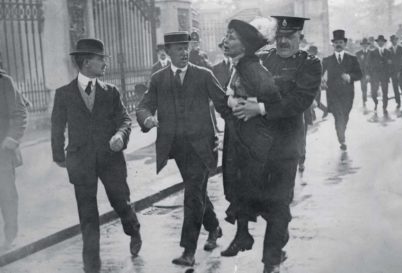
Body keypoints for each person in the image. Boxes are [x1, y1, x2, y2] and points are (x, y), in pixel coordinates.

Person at [228, 16, 322, 273]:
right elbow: (239, 85)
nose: (283, 42)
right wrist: (235, 102)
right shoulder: (263, 59)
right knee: (261, 202)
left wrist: (259, 107)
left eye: (289, 38)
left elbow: (299, 101)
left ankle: (270, 262)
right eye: (279, 37)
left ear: (299, 39)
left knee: (279, 202)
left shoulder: (310, 64)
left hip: (287, 145)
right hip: (257, 145)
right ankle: (276, 235)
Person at [135, 31, 231, 267]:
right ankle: (214, 227)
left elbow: (223, 104)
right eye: (178, 48)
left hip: (204, 146)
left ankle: (188, 250)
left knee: (192, 194)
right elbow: (144, 106)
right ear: (167, 52)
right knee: (197, 191)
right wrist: (147, 119)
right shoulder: (158, 79)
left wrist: (238, 132)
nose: (184, 52)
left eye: (186, 47)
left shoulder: (203, 75)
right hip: (177, 148)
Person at [51, 38, 142, 273]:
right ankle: (92, 265)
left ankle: (133, 229)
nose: (105, 63)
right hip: (81, 162)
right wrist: (59, 155)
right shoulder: (64, 94)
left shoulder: (110, 92)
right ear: (86, 62)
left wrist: (120, 136)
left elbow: (124, 119)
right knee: (87, 213)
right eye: (101, 59)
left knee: (120, 202)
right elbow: (57, 126)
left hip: (110, 160)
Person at [220, 17, 282, 262]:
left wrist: (253, 106)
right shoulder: (239, 64)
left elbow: (274, 100)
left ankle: (278, 234)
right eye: (227, 36)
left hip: (253, 140)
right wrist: (231, 102)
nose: (225, 41)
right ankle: (243, 234)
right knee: (241, 188)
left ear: (244, 45)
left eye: (232, 37)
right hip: (239, 137)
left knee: (254, 192)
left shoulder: (251, 67)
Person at [0, 69, 27, 249]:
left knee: (7, 193)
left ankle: (10, 236)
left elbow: (20, 112)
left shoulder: (4, 82)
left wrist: (12, 137)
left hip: (2, 150)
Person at [322, 30, 362, 151]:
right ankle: (341, 138)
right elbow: (319, 74)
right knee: (338, 116)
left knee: (345, 115)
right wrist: (322, 81)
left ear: (345, 44)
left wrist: (350, 77)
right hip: (333, 94)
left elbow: (359, 74)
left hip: (347, 94)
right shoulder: (327, 60)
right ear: (333, 44)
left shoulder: (352, 59)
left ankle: (341, 132)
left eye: (340, 42)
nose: (338, 44)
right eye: (336, 42)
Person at [367, 35, 392, 115]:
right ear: (377, 43)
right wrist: (368, 74)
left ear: (384, 42)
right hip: (375, 75)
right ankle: (376, 102)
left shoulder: (388, 52)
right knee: (374, 92)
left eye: (382, 41)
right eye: (379, 41)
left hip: (384, 75)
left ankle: (384, 107)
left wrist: (389, 69)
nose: (380, 43)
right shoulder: (372, 52)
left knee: (385, 92)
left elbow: (391, 64)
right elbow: (368, 64)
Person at [389, 34, 402, 109]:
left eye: (395, 40)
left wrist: (401, 71)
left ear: (397, 40)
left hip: (401, 72)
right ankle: (398, 102)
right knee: (395, 88)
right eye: (392, 40)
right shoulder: (389, 50)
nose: (394, 41)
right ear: (391, 41)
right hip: (393, 73)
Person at [356, 38, 371, 108]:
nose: (365, 46)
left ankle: (373, 100)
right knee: (363, 87)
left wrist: (370, 73)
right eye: (363, 45)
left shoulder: (371, 52)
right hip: (362, 73)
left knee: (374, 87)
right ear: (361, 45)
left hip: (371, 73)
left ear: (368, 45)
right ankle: (364, 100)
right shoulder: (358, 53)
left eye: (366, 45)